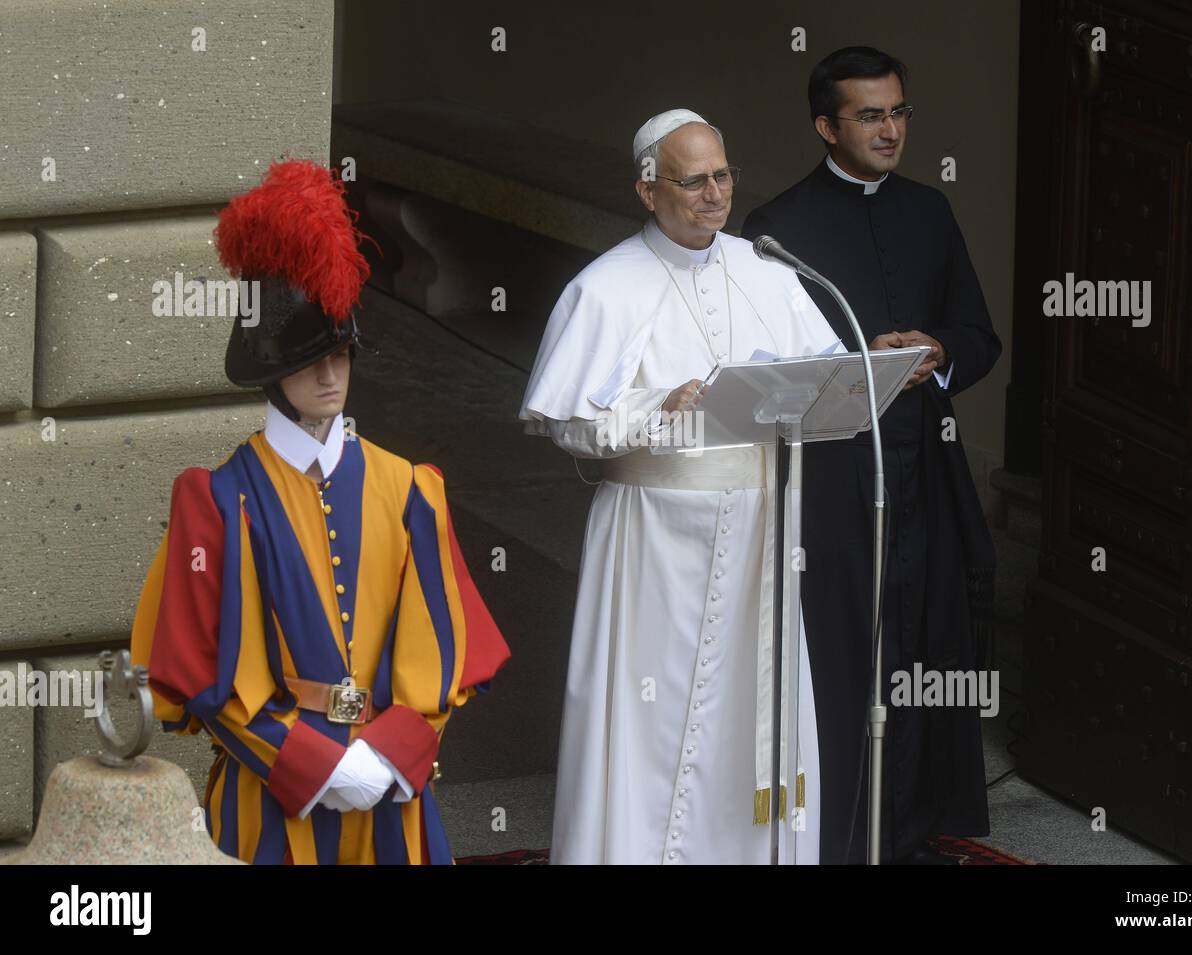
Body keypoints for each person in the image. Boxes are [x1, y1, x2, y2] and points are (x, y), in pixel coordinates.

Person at [130, 159, 510, 864]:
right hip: (271, 805)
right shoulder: (217, 500)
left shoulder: (410, 487)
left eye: (340, 353)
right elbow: (211, 677)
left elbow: (441, 655)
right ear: (271, 369)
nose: (331, 375)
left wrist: (387, 754)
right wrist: (316, 766)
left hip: (394, 800)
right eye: (310, 361)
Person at [520, 109, 843, 864]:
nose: (714, 195)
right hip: (653, 542)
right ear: (646, 188)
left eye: (723, 175)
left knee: (745, 723)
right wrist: (652, 410)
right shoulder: (604, 289)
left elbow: (824, 373)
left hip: (763, 533)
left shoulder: (768, 269)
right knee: (649, 723)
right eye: (692, 180)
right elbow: (565, 424)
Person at [743, 46, 999, 864]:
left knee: (924, 644)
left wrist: (938, 350)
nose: (890, 131)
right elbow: (760, 371)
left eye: (898, 113)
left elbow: (980, 336)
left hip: (924, 465)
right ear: (826, 125)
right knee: (845, 648)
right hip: (831, 479)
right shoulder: (778, 230)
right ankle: (839, 833)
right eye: (870, 116)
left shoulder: (929, 211)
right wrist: (861, 365)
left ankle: (914, 828)